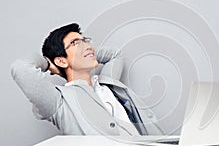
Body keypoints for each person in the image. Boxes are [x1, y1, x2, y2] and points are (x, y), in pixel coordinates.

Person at [11, 23, 164, 136]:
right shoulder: (59, 101)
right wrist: (48, 62)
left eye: (85, 40)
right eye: (75, 43)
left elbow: (116, 55)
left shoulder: (106, 82)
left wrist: (86, 51)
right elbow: (21, 68)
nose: (87, 45)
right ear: (61, 61)